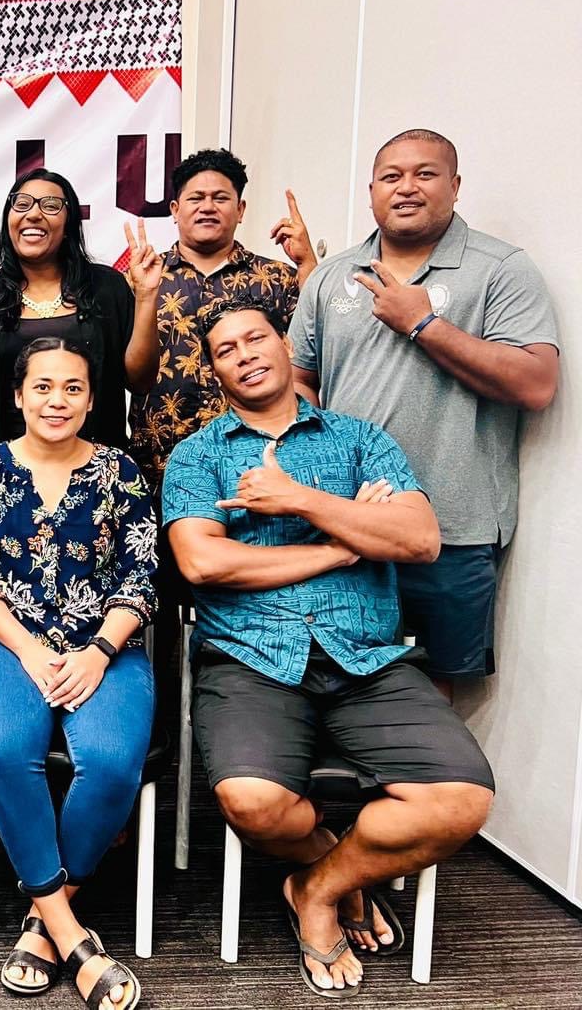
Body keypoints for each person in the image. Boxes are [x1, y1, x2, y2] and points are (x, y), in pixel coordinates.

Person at [164, 299, 494, 998]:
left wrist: (300, 501)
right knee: (252, 800)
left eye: (257, 338)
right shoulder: (196, 456)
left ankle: (316, 888)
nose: (246, 353)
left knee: (460, 800)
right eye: (227, 349)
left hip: (366, 656)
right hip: (248, 656)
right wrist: (348, 543)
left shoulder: (359, 440)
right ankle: (336, 864)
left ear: (285, 348)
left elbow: (419, 539)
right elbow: (205, 565)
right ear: (215, 370)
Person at [291, 128, 559, 694]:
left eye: (425, 174)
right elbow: (300, 379)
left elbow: (537, 383)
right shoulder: (332, 276)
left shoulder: (500, 269)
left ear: (456, 186)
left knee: (436, 695)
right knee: (334, 680)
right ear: (370, 191)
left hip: (454, 528)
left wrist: (423, 324)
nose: (407, 188)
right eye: (391, 176)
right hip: (349, 523)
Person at [0, 336, 156, 1010]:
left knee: (112, 762)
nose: (57, 400)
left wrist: (98, 651)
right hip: (9, 646)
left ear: (92, 398)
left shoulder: (121, 472)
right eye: (42, 386)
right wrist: (31, 650)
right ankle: (68, 930)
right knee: (9, 752)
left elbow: (140, 575)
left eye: (72, 387)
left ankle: (44, 915)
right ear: (17, 395)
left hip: (107, 646)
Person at [0, 168, 162, 463]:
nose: (33, 214)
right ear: (8, 220)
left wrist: (146, 298)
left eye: (50, 205)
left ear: (69, 223)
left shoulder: (106, 288)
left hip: (99, 478)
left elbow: (141, 381)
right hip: (10, 479)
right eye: (22, 204)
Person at [128, 147, 318, 491]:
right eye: (195, 198)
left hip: (261, 466)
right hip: (159, 464)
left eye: (220, 198)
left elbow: (312, 351)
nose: (207, 207)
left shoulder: (277, 278)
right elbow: (129, 374)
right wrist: (143, 294)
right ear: (175, 209)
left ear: (240, 209)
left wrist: (308, 266)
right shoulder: (142, 280)